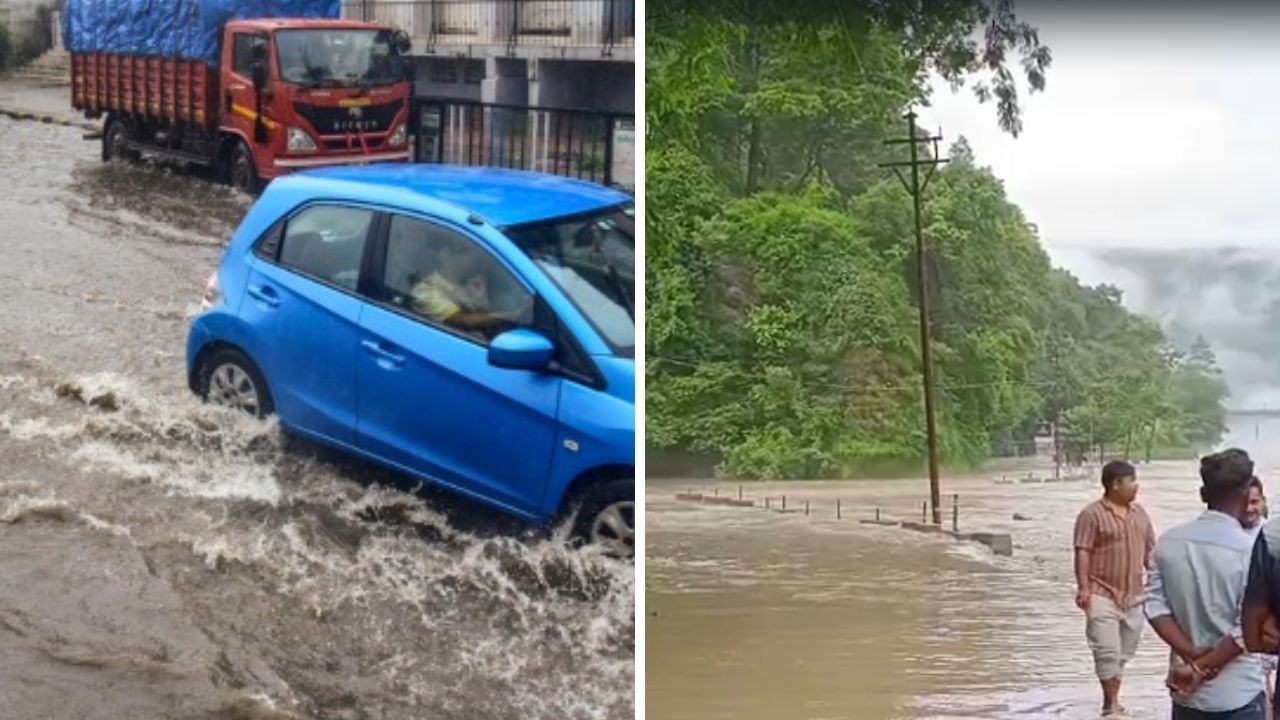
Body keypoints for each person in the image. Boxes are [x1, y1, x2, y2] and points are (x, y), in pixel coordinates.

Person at [1145, 449, 1266, 719]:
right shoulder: (1252, 551)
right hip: (1238, 694)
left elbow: (1154, 606)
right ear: (1247, 492)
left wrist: (1190, 655)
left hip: (1186, 693)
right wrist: (1202, 666)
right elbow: (1248, 626)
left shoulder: (1168, 543)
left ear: (1203, 494)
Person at [1074, 459, 1156, 717]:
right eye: (1132, 480)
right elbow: (1082, 551)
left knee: (1124, 652)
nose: (1136, 485)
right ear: (1115, 484)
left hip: (1134, 595)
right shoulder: (1091, 514)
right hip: (1100, 593)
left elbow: (1151, 551)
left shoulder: (1140, 513)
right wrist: (1083, 588)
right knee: (1106, 650)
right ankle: (1110, 705)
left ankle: (1114, 699)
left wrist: (1157, 583)